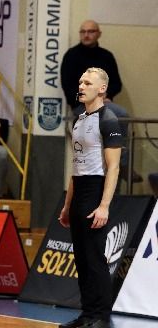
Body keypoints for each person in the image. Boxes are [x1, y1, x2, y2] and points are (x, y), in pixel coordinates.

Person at [58, 67, 123, 328]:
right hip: (79, 191)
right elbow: (76, 166)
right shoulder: (79, 119)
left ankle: (101, 317)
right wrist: (67, 205)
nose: (81, 86)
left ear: (102, 89)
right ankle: (87, 314)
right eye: (80, 82)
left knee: (95, 259)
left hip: (96, 190)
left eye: (87, 83)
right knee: (82, 259)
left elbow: (114, 167)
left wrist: (104, 205)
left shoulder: (108, 120)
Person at [61, 20, 123, 113]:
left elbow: (116, 84)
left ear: (99, 34)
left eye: (90, 31)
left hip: (103, 102)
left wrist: (106, 94)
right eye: (83, 32)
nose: (86, 35)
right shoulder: (71, 55)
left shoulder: (107, 56)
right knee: (116, 114)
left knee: (121, 114)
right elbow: (68, 87)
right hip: (81, 104)